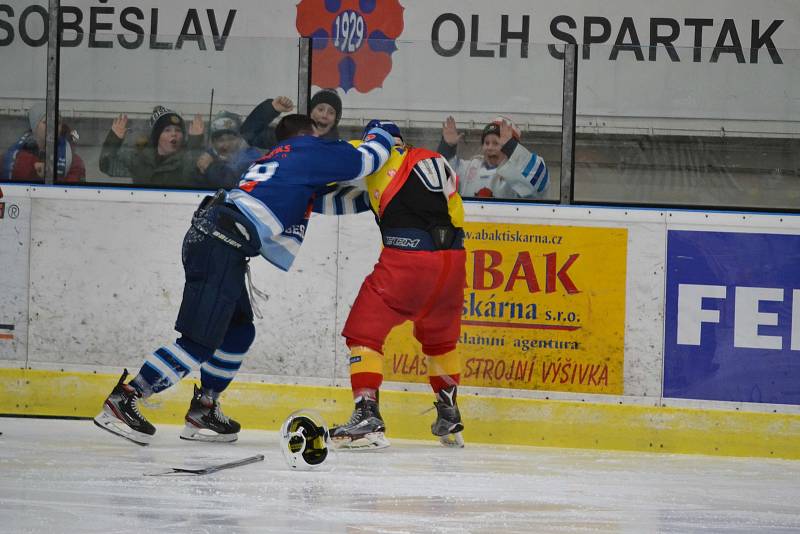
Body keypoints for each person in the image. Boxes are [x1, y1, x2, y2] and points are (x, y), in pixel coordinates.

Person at [93, 114, 395, 446]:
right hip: (220, 243)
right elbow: (368, 158)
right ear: (307, 135)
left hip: (219, 240)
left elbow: (326, 201)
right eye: (317, 134)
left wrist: (380, 197)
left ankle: (204, 408)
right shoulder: (307, 149)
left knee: (237, 332)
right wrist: (381, 131)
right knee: (198, 342)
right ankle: (126, 397)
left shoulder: (281, 161)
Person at [330, 120, 467, 450]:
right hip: (453, 261)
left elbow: (330, 166)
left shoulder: (374, 155)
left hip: (408, 259)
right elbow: (454, 207)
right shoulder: (434, 158)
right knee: (441, 341)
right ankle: (448, 412)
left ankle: (367, 414)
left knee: (363, 332)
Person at [438, 115, 549, 199]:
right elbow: (440, 179)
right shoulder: (469, 167)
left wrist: (511, 146)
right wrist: (447, 148)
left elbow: (539, 183)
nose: (489, 148)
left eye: (496, 143)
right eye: (486, 143)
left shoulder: (518, 172)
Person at [99, 106, 205, 187]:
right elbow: (107, 166)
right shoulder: (138, 158)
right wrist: (114, 139)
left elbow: (198, 171)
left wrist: (195, 143)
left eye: (178, 130)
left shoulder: (186, 159)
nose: (174, 134)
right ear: (156, 136)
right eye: (167, 130)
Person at [1, 102, 85, 183]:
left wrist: (51, 175)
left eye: (58, 122)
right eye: (46, 122)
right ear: (35, 126)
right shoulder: (13, 156)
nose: (53, 126)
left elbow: (73, 190)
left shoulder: (73, 160)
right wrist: (32, 167)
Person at [196, 111, 262, 189]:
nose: (226, 144)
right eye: (220, 140)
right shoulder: (206, 157)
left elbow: (234, 183)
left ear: (240, 139)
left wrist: (210, 167)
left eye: (231, 139)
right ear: (213, 142)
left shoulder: (251, 156)